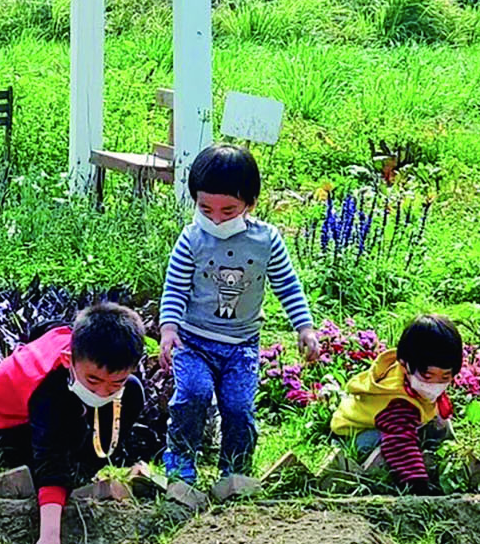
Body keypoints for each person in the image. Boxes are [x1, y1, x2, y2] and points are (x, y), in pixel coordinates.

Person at [159, 144, 319, 483]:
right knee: (193, 395)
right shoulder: (191, 239)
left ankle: (236, 470)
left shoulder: (267, 241)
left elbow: (287, 285)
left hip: (242, 344)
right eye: (206, 209)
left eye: (228, 210)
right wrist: (169, 329)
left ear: (250, 204)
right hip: (194, 340)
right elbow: (174, 288)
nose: (216, 219)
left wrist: (304, 327)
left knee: (238, 407)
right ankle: (179, 460)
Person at [0, 301, 156, 544]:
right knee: (64, 437)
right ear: (68, 360)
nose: (103, 392)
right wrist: (49, 538)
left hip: (50, 398)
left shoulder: (79, 345)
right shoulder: (49, 390)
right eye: (93, 381)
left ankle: (82, 473)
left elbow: (42, 331)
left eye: (115, 383)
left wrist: (111, 388)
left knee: (132, 393)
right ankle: (61, 495)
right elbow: (50, 454)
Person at [329, 314, 464, 495]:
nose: (435, 384)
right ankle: (384, 477)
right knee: (400, 444)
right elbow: (401, 443)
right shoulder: (398, 402)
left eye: (445, 377)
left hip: (384, 422)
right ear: (405, 365)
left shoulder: (412, 376)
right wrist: (418, 486)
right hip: (357, 435)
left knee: (438, 424)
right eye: (427, 377)